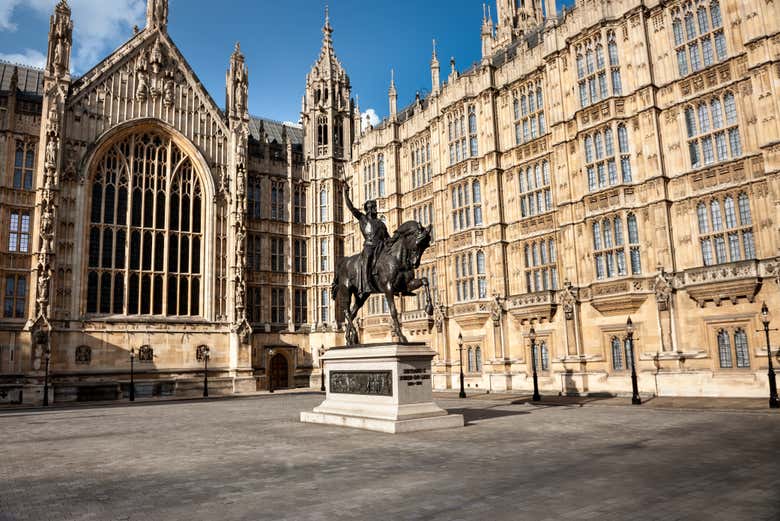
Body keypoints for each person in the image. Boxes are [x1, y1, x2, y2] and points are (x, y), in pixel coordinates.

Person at [344, 185, 389, 294]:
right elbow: (351, 208)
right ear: (369, 209)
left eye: (375, 207)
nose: (376, 209)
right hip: (369, 246)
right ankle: (365, 284)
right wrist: (345, 193)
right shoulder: (362, 218)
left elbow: (388, 238)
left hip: (381, 247)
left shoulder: (380, 223)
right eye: (374, 207)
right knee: (367, 258)